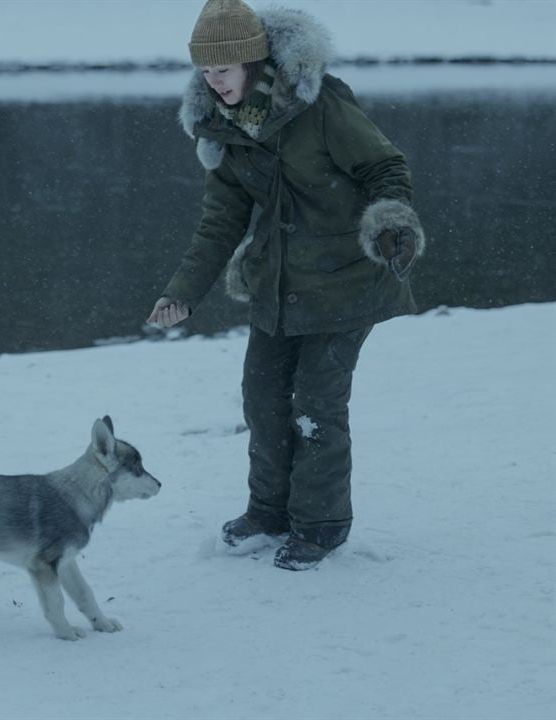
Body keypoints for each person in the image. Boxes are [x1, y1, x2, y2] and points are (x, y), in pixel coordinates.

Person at [146, 0, 426, 570]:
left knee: (317, 405)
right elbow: (221, 221)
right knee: (264, 399)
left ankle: (321, 526)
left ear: (252, 61)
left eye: (221, 70)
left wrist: (392, 220)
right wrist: (181, 292)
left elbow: (384, 167)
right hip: (276, 285)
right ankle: (268, 511)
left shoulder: (318, 105)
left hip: (347, 280)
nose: (212, 81)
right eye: (205, 72)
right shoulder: (223, 127)